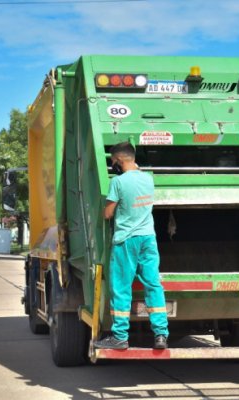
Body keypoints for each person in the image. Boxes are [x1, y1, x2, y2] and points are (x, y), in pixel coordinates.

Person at [94, 142, 169, 350]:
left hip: (127, 240)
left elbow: (108, 213)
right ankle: (161, 335)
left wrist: (103, 211)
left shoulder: (118, 182)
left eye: (112, 161)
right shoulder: (148, 179)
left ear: (118, 160)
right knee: (153, 284)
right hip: (148, 238)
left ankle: (119, 336)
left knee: (121, 287)